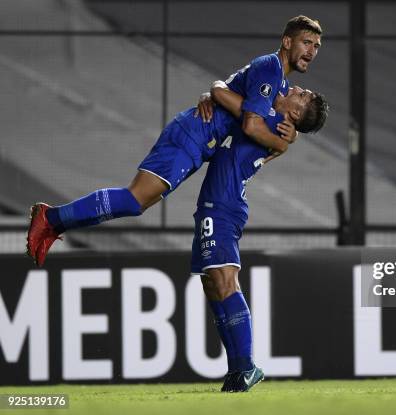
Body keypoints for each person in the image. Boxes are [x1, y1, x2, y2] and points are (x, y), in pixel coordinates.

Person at [26, 15, 323, 266]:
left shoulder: (280, 83)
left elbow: (228, 92)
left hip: (198, 142)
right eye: (306, 43)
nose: (312, 51)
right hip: (192, 134)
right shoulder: (271, 69)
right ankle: (51, 217)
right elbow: (250, 123)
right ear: (287, 42)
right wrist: (282, 143)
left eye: (316, 46)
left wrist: (286, 135)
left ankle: (54, 222)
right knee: (133, 199)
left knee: (136, 204)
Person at [192, 82, 328, 392]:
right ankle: (236, 368)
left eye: (302, 94)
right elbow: (272, 146)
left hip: (223, 206)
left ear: (293, 112)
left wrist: (212, 89)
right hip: (217, 205)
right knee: (212, 285)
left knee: (224, 281)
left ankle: (246, 367)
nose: (297, 87)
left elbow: (223, 95)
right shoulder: (274, 129)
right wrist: (284, 143)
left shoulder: (264, 121)